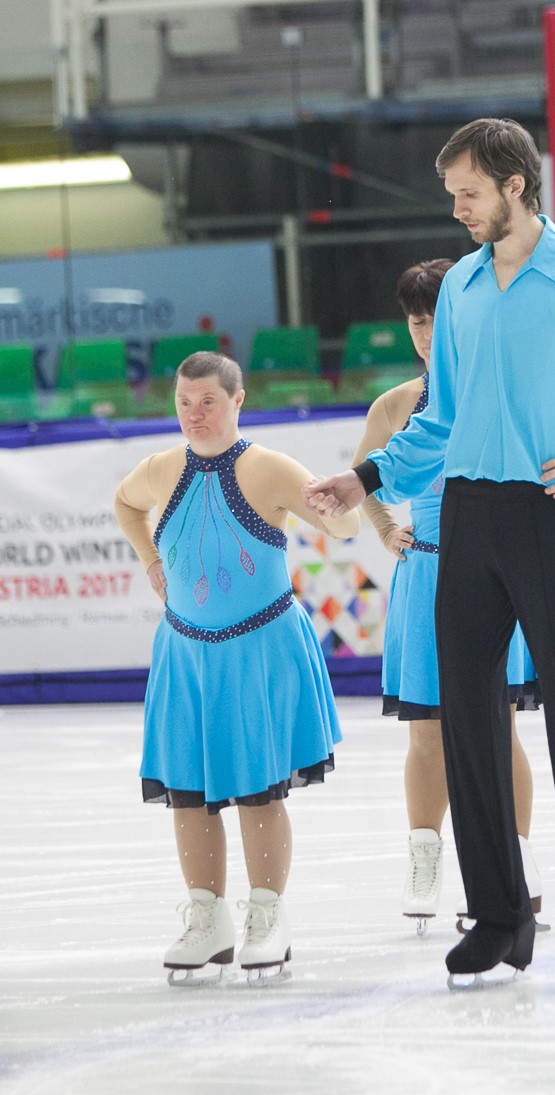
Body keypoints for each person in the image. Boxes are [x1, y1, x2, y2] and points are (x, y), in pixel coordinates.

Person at [304, 119, 555, 983]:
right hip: (464, 523)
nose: (459, 209)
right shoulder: (464, 289)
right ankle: (498, 916)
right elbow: (440, 420)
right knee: (467, 723)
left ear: (517, 183)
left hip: (549, 513)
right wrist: (366, 478)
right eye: (453, 194)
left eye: (468, 192)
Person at [111, 350, 358, 985]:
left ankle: (267, 917)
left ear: (237, 401)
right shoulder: (160, 469)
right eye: (184, 402)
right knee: (188, 793)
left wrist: (338, 505)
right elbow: (123, 503)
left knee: (256, 789)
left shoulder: (269, 468)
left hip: (259, 653)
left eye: (208, 403)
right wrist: (149, 562)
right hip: (185, 654)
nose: (194, 415)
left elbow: (346, 527)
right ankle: (207, 918)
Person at [354, 259, 548, 935]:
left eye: (440, 317)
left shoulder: (500, 390)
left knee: (500, 730)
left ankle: (513, 869)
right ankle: (426, 860)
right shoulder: (394, 407)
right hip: (426, 575)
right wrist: (384, 530)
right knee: (428, 734)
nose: (429, 332)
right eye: (417, 320)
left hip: (492, 577)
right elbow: (366, 485)